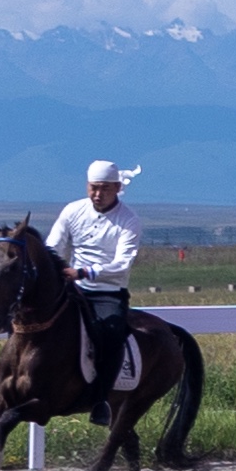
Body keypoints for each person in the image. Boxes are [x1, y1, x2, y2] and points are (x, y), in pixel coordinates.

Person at [45, 160, 146, 398]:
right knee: (25, 316)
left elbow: (122, 264)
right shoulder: (72, 210)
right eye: (93, 188)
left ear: (118, 187)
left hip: (107, 292)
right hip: (71, 287)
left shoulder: (129, 220)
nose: (98, 194)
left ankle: (100, 397)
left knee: (111, 333)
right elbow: (54, 246)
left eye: (104, 188)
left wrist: (83, 272)